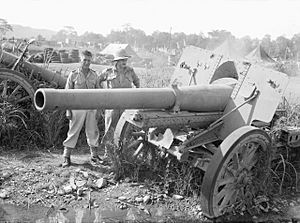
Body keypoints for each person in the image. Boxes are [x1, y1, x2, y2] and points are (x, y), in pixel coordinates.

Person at [62, 50, 102, 167]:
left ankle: (94, 156)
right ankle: (66, 157)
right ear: (80, 60)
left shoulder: (95, 75)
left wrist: (99, 110)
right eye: (84, 60)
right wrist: (68, 110)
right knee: (73, 131)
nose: (86, 62)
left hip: (91, 108)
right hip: (77, 108)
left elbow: (99, 94)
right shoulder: (73, 74)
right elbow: (67, 94)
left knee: (93, 131)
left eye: (89, 60)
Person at [98, 48, 140, 159]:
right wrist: (102, 94)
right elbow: (97, 81)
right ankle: (108, 154)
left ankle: (122, 154)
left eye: (125, 59)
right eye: (122, 59)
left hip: (126, 107)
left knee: (126, 130)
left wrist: (136, 95)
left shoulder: (130, 71)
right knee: (110, 129)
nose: (124, 61)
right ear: (116, 61)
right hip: (112, 106)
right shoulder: (107, 72)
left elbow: (137, 83)